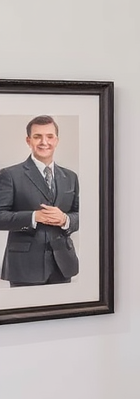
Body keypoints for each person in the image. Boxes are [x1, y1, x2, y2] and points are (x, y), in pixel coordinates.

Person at [0, 115, 79, 287]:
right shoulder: (10, 175)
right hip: (25, 267)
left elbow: (82, 215)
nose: (44, 142)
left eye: (49, 136)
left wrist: (66, 220)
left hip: (63, 265)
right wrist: (34, 217)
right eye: (37, 137)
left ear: (56, 140)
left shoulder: (71, 177)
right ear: (28, 140)